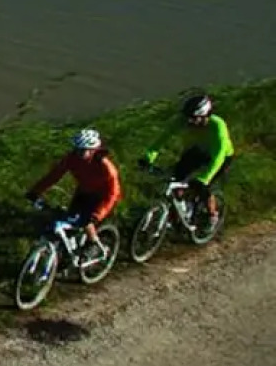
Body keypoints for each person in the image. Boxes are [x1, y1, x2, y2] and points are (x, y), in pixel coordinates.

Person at [25, 128, 122, 264]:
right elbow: (54, 175)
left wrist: (97, 215)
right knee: (70, 219)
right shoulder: (72, 158)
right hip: (83, 192)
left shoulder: (107, 168)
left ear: (93, 150)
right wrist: (35, 191)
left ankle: (94, 244)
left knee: (86, 221)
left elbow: (113, 193)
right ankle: (69, 254)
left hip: (102, 197)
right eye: (77, 149)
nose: (79, 153)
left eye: (83, 150)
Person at [142, 93, 234, 221]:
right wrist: (148, 157)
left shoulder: (218, 126)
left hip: (220, 157)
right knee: (176, 179)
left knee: (203, 187)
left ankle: (212, 215)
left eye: (194, 118)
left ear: (205, 116)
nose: (189, 122)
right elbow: (162, 139)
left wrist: (205, 178)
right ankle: (180, 213)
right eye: (188, 118)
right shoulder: (182, 120)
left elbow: (218, 156)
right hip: (197, 152)